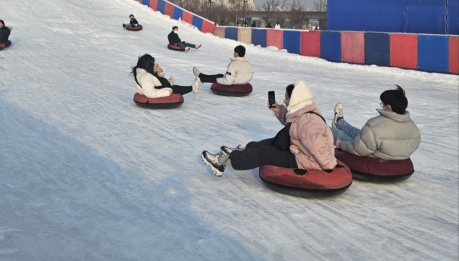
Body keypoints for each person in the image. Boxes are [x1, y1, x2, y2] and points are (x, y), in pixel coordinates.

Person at [201, 80, 336, 177]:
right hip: (301, 151)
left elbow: (318, 146)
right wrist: (279, 111)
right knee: (269, 143)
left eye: (287, 98)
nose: (284, 101)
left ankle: (220, 163)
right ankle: (241, 151)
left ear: (296, 99)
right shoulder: (303, 112)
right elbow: (294, 125)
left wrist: (329, 166)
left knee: (265, 153)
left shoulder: (309, 124)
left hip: (306, 160)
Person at [331, 86, 421, 159]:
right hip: (387, 152)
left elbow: (357, 149)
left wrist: (341, 144)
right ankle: (339, 121)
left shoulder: (376, 126)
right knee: (360, 133)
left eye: (383, 104)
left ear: (388, 107)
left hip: (372, 156)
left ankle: (323, 126)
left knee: (338, 134)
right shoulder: (414, 128)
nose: (382, 106)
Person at [132, 54, 197, 99]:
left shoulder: (143, 72)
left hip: (155, 85)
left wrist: (160, 70)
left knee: (162, 80)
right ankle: (193, 88)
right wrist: (167, 92)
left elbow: (153, 78)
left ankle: (168, 83)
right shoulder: (145, 77)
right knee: (175, 88)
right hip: (156, 89)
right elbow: (150, 93)